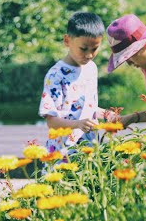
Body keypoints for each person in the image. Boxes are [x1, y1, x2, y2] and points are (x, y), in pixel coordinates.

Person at [38, 12, 116, 156]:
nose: (89, 55)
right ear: (67, 41)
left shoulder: (91, 68)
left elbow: (88, 107)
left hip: (89, 148)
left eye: (95, 49)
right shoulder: (56, 75)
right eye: (83, 49)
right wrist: (78, 124)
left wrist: (105, 113)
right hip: (63, 152)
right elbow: (51, 121)